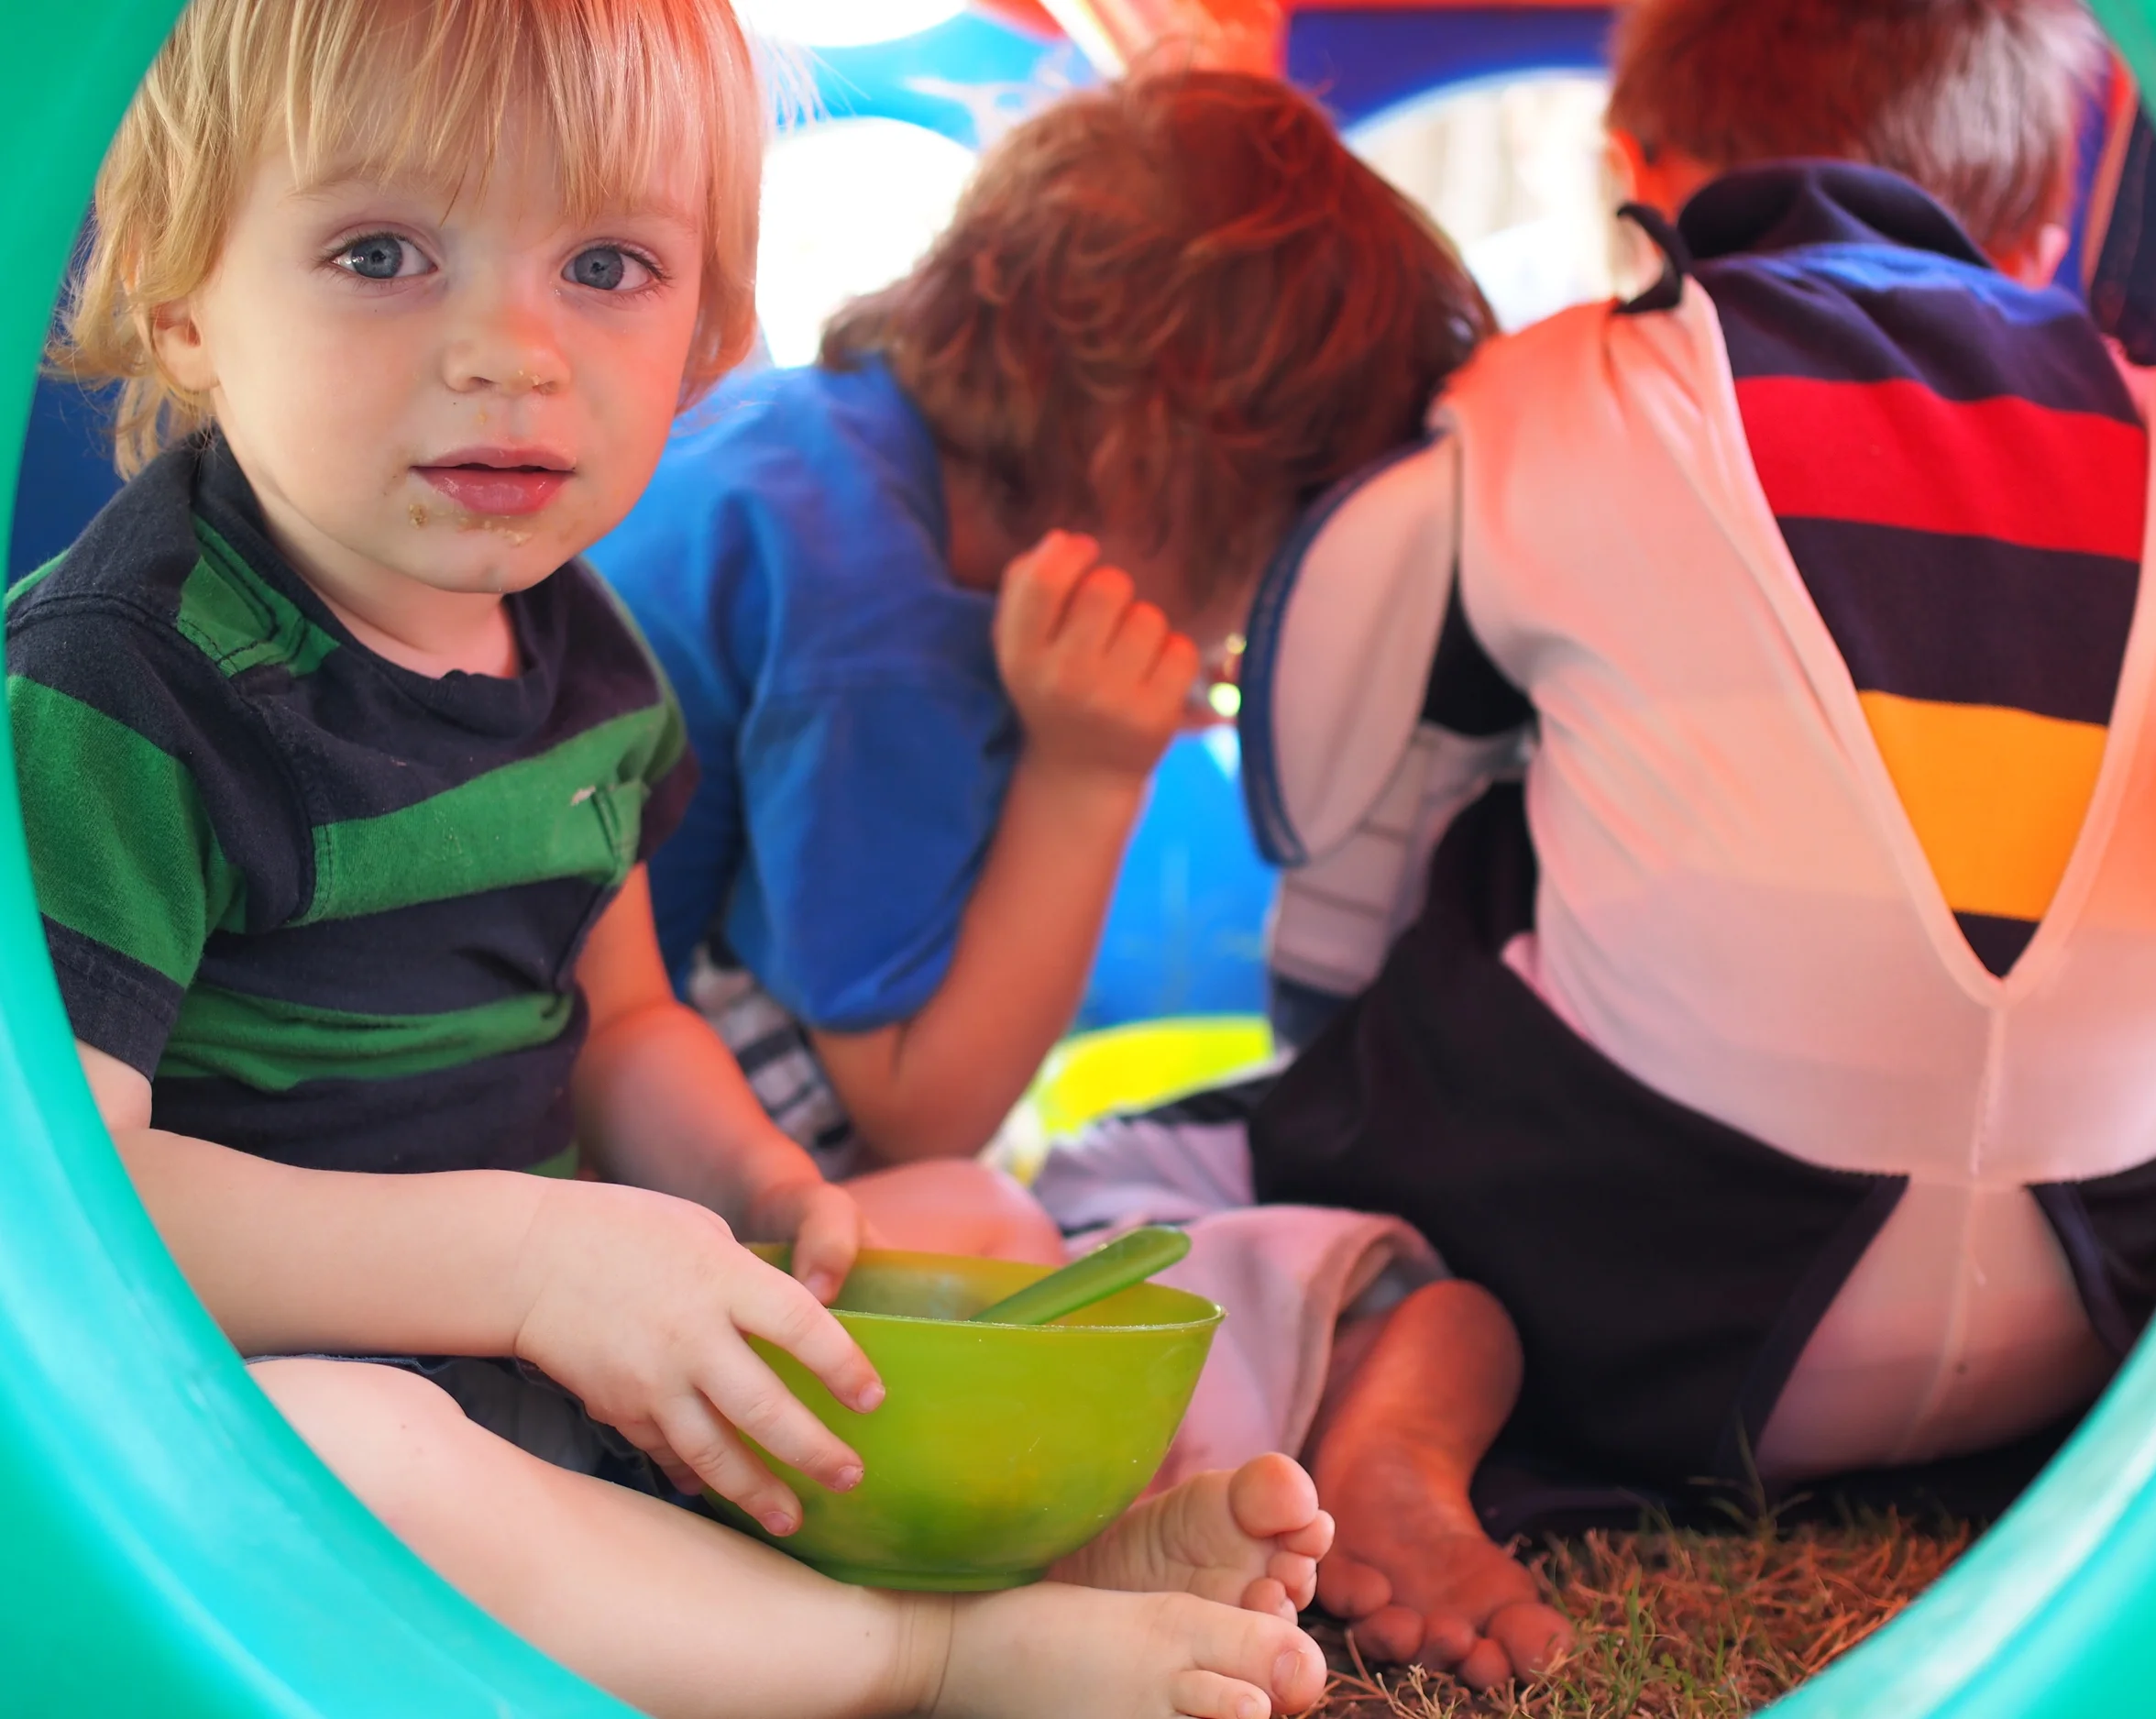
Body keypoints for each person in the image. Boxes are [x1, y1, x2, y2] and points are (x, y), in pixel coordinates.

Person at [6, 3, 1336, 1714]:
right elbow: (54, 1203)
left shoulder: (586, 662)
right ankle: (923, 1654)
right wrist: (532, 1265)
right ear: (184, 301)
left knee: (970, 1215)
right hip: (258, 1394)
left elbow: (624, 1028)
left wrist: (767, 1196)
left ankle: (1025, 1555)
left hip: (556, 1340)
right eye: (384, 250)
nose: (510, 348)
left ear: (707, 324)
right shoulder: (119, 687)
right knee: (356, 1450)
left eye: (609, 266)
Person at [1034, 0, 2156, 1690]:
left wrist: (1330, 1105)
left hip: (1625, 1306)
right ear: (2040, 221)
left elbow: (1334, 803)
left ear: (1637, 178)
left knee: (1117, 1177)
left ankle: (1383, 1318)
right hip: (2119, 1314)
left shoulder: (1560, 387)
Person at [587, 72, 1494, 1177]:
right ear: (1150, 456)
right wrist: (1088, 774)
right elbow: (916, 1115)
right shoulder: (888, 630)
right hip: (570, 1125)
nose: (1254, 618)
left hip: (543, 1030)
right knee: (974, 1209)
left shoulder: (825, 450)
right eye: (1277, 553)